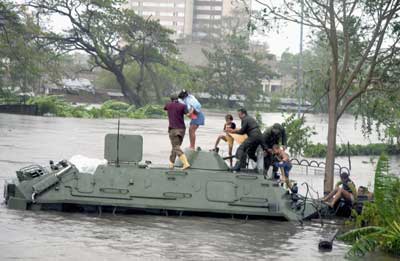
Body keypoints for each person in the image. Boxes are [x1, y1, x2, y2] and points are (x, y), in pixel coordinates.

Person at [164, 94, 190, 170]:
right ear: (178, 99)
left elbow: (165, 108)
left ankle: (186, 163)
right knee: (175, 147)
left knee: (175, 147)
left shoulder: (168, 105)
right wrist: (191, 111)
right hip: (182, 129)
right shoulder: (183, 106)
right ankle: (171, 164)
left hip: (173, 129)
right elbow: (188, 114)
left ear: (171, 99)